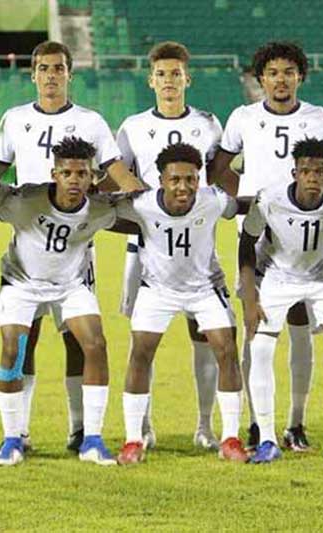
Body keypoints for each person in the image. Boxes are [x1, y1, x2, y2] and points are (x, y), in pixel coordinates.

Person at [0, 40, 144, 451]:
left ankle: (80, 431)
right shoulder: (15, 119)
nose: (51, 75)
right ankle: (18, 432)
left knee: (79, 340)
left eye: (59, 68)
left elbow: (115, 170)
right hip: (29, 241)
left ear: (69, 73)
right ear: (33, 74)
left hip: (76, 247)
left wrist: (147, 202)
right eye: (43, 68)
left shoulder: (91, 122)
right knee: (26, 339)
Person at [208, 41, 323, 451]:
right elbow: (218, 170)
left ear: (300, 76)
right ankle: (256, 422)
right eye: (272, 73)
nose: (280, 80)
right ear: (260, 78)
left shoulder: (319, 117)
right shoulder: (244, 117)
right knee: (258, 328)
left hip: (307, 239)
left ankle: (296, 421)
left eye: (289, 72)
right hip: (259, 236)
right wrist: (247, 200)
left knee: (303, 331)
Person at [116, 41, 225, 450]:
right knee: (143, 340)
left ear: (187, 79)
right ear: (151, 80)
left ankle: (204, 426)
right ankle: (141, 427)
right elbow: (117, 172)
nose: (168, 81)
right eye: (161, 75)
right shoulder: (133, 126)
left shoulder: (208, 124)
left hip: (197, 250)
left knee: (205, 338)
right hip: (144, 251)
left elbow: (216, 176)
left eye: (175, 74)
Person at [0, 137, 123, 467]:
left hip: (69, 287)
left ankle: (91, 439)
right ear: (55, 173)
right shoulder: (24, 200)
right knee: (14, 349)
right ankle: (12, 439)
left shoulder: (100, 208)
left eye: (82, 174)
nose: (74, 180)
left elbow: (144, 214)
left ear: (93, 176)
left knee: (95, 344)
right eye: (67, 173)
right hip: (21, 284)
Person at [114, 143, 247, 465]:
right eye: (175, 179)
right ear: (161, 180)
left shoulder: (213, 200)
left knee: (226, 349)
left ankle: (230, 438)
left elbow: (239, 207)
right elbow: (106, 214)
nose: (184, 186)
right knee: (141, 352)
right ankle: (133, 440)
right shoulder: (142, 205)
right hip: (157, 289)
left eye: (191, 179)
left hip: (205, 288)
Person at [238, 138, 323, 464]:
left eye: (320, 172)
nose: (313, 178)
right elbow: (246, 244)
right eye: (306, 171)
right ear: (294, 172)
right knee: (261, 348)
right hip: (277, 279)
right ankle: (266, 439)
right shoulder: (270, 199)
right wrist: (250, 296)